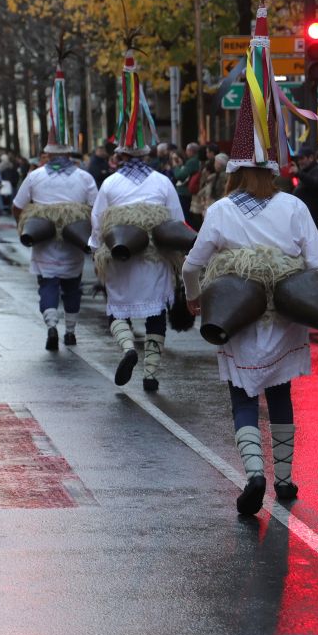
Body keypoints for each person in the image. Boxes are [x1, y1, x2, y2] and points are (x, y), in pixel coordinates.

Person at [182, 1, 318, 516]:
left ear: (235, 168)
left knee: (242, 395)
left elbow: (193, 264)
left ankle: (253, 473)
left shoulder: (221, 210)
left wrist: (194, 300)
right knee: (281, 394)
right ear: (272, 168)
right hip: (285, 318)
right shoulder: (293, 207)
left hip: (237, 317)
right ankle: (286, 479)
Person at [90, 51, 183, 390]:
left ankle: (128, 347)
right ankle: (151, 372)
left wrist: (95, 249)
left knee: (118, 308)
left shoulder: (110, 183)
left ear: (120, 154)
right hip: (154, 261)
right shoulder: (162, 182)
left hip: (120, 259)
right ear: (147, 152)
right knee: (157, 313)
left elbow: (98, 222)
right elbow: (176, 221)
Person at [12, 59, 98, 351]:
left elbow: (18, 205)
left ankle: (51, 326)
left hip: (43, 241)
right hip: (74, 242)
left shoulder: (35, 176)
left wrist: (25, 225)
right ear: (70, 153)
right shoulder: (84, 177)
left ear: (48, 153)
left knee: (47, 285)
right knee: (72, 286)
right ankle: (70, 330)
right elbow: (97, 209)